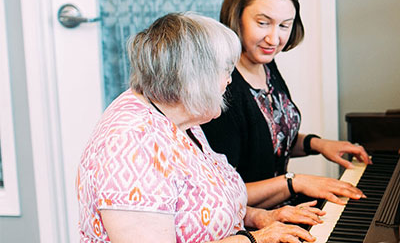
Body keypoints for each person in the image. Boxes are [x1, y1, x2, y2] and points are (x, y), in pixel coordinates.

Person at [76, 13, 322, 243]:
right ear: (191, 78)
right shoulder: (131, 146)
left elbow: (202, 205)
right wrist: (256, 238)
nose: (229, 80)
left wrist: (259, 217)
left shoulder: (178, 113)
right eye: (224, 70)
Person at [201, 0, 371, 209]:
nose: (274, 39)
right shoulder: (222, 88)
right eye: (263, 23)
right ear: (236, 17)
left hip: (284, 209)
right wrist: (295, 182)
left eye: (284, 26)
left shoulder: (266, 65)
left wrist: (317, 144)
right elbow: (223, 195)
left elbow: (273, 137)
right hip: (251, 224)